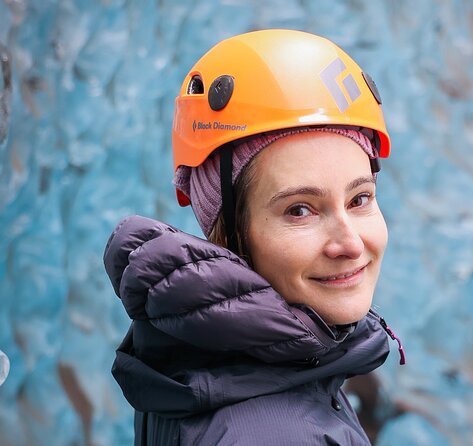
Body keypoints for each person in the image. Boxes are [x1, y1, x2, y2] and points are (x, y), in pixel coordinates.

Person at [103, 29, 405, 446]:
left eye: (360, 198)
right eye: (299, 210)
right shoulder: (271, 432)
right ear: (227, 234)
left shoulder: (199, 359)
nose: (351, 243)